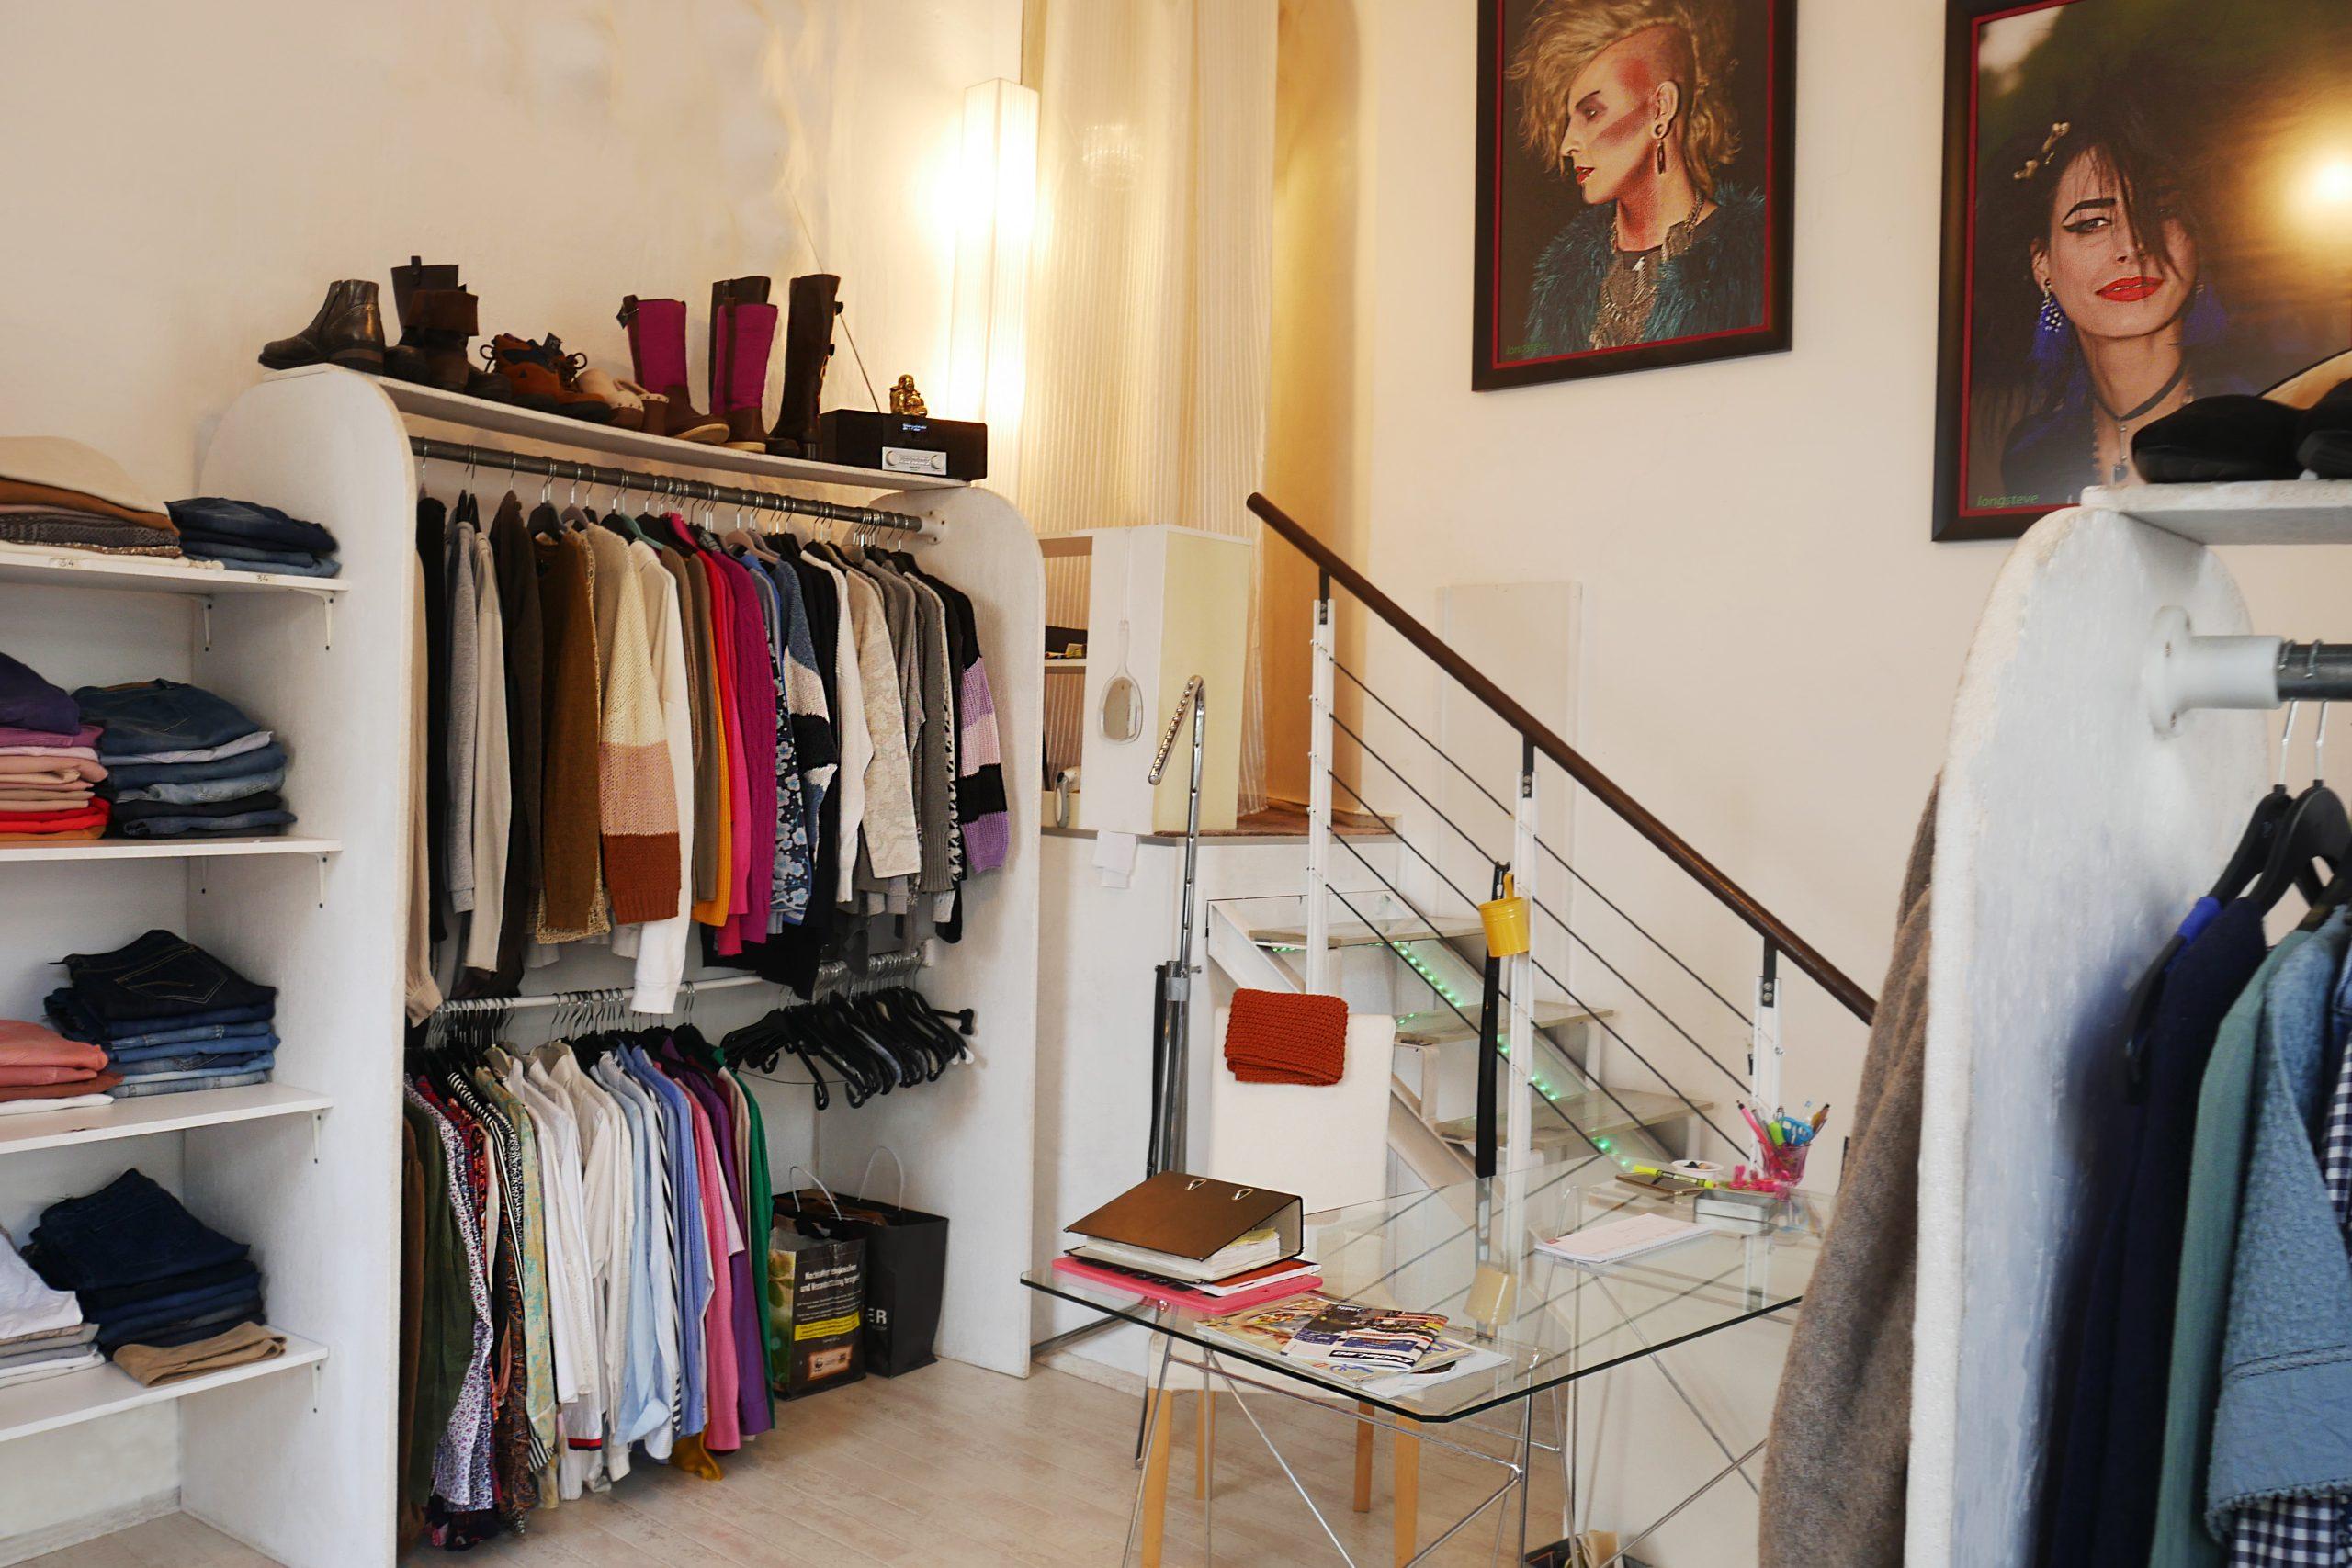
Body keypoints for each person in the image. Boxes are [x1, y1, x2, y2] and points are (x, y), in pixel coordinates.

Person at [1996, 95, 2233, 501]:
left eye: (2159, 212)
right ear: (2042, 263)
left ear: (2197, 241)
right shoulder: (2032, 454)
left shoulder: (2263, 412)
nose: (2132, 246)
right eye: (2092, 223)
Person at [1510, 0, 1766, 355]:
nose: (1568, 145)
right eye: (1570, 120)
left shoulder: (1752, 258)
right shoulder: (1563, 274)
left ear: (1661, 108)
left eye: (1591, 112)